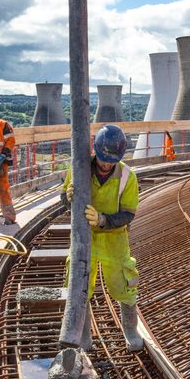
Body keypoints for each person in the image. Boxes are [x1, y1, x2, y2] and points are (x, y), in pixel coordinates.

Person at [61, 125, 143, 351]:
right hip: (83, 240)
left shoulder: (127, 176)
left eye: (112, 160)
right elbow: (63, 199)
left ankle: (130, 330)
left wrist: (102, 220)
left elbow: (128, 214)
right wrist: (68, 199)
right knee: (79, 288)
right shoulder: (78, 168)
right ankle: (84, 337)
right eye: (104, 159)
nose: (107, 164)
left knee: (124, 287)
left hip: (114, 242)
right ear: (96, 151)